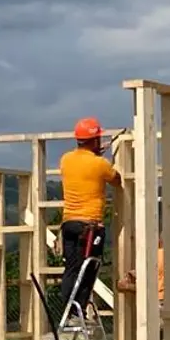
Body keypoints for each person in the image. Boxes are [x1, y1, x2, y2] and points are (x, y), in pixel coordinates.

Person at [58, 117, 121, 318]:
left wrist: (93, 155)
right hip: (90, 226)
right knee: (89, 268)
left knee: (72, 267)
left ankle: (66, 309)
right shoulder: (100, 164)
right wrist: (99, 158)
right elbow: (117, 180)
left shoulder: (65, 159)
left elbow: (82, 167)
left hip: (69, 224)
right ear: (95, 140)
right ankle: (79, 308)